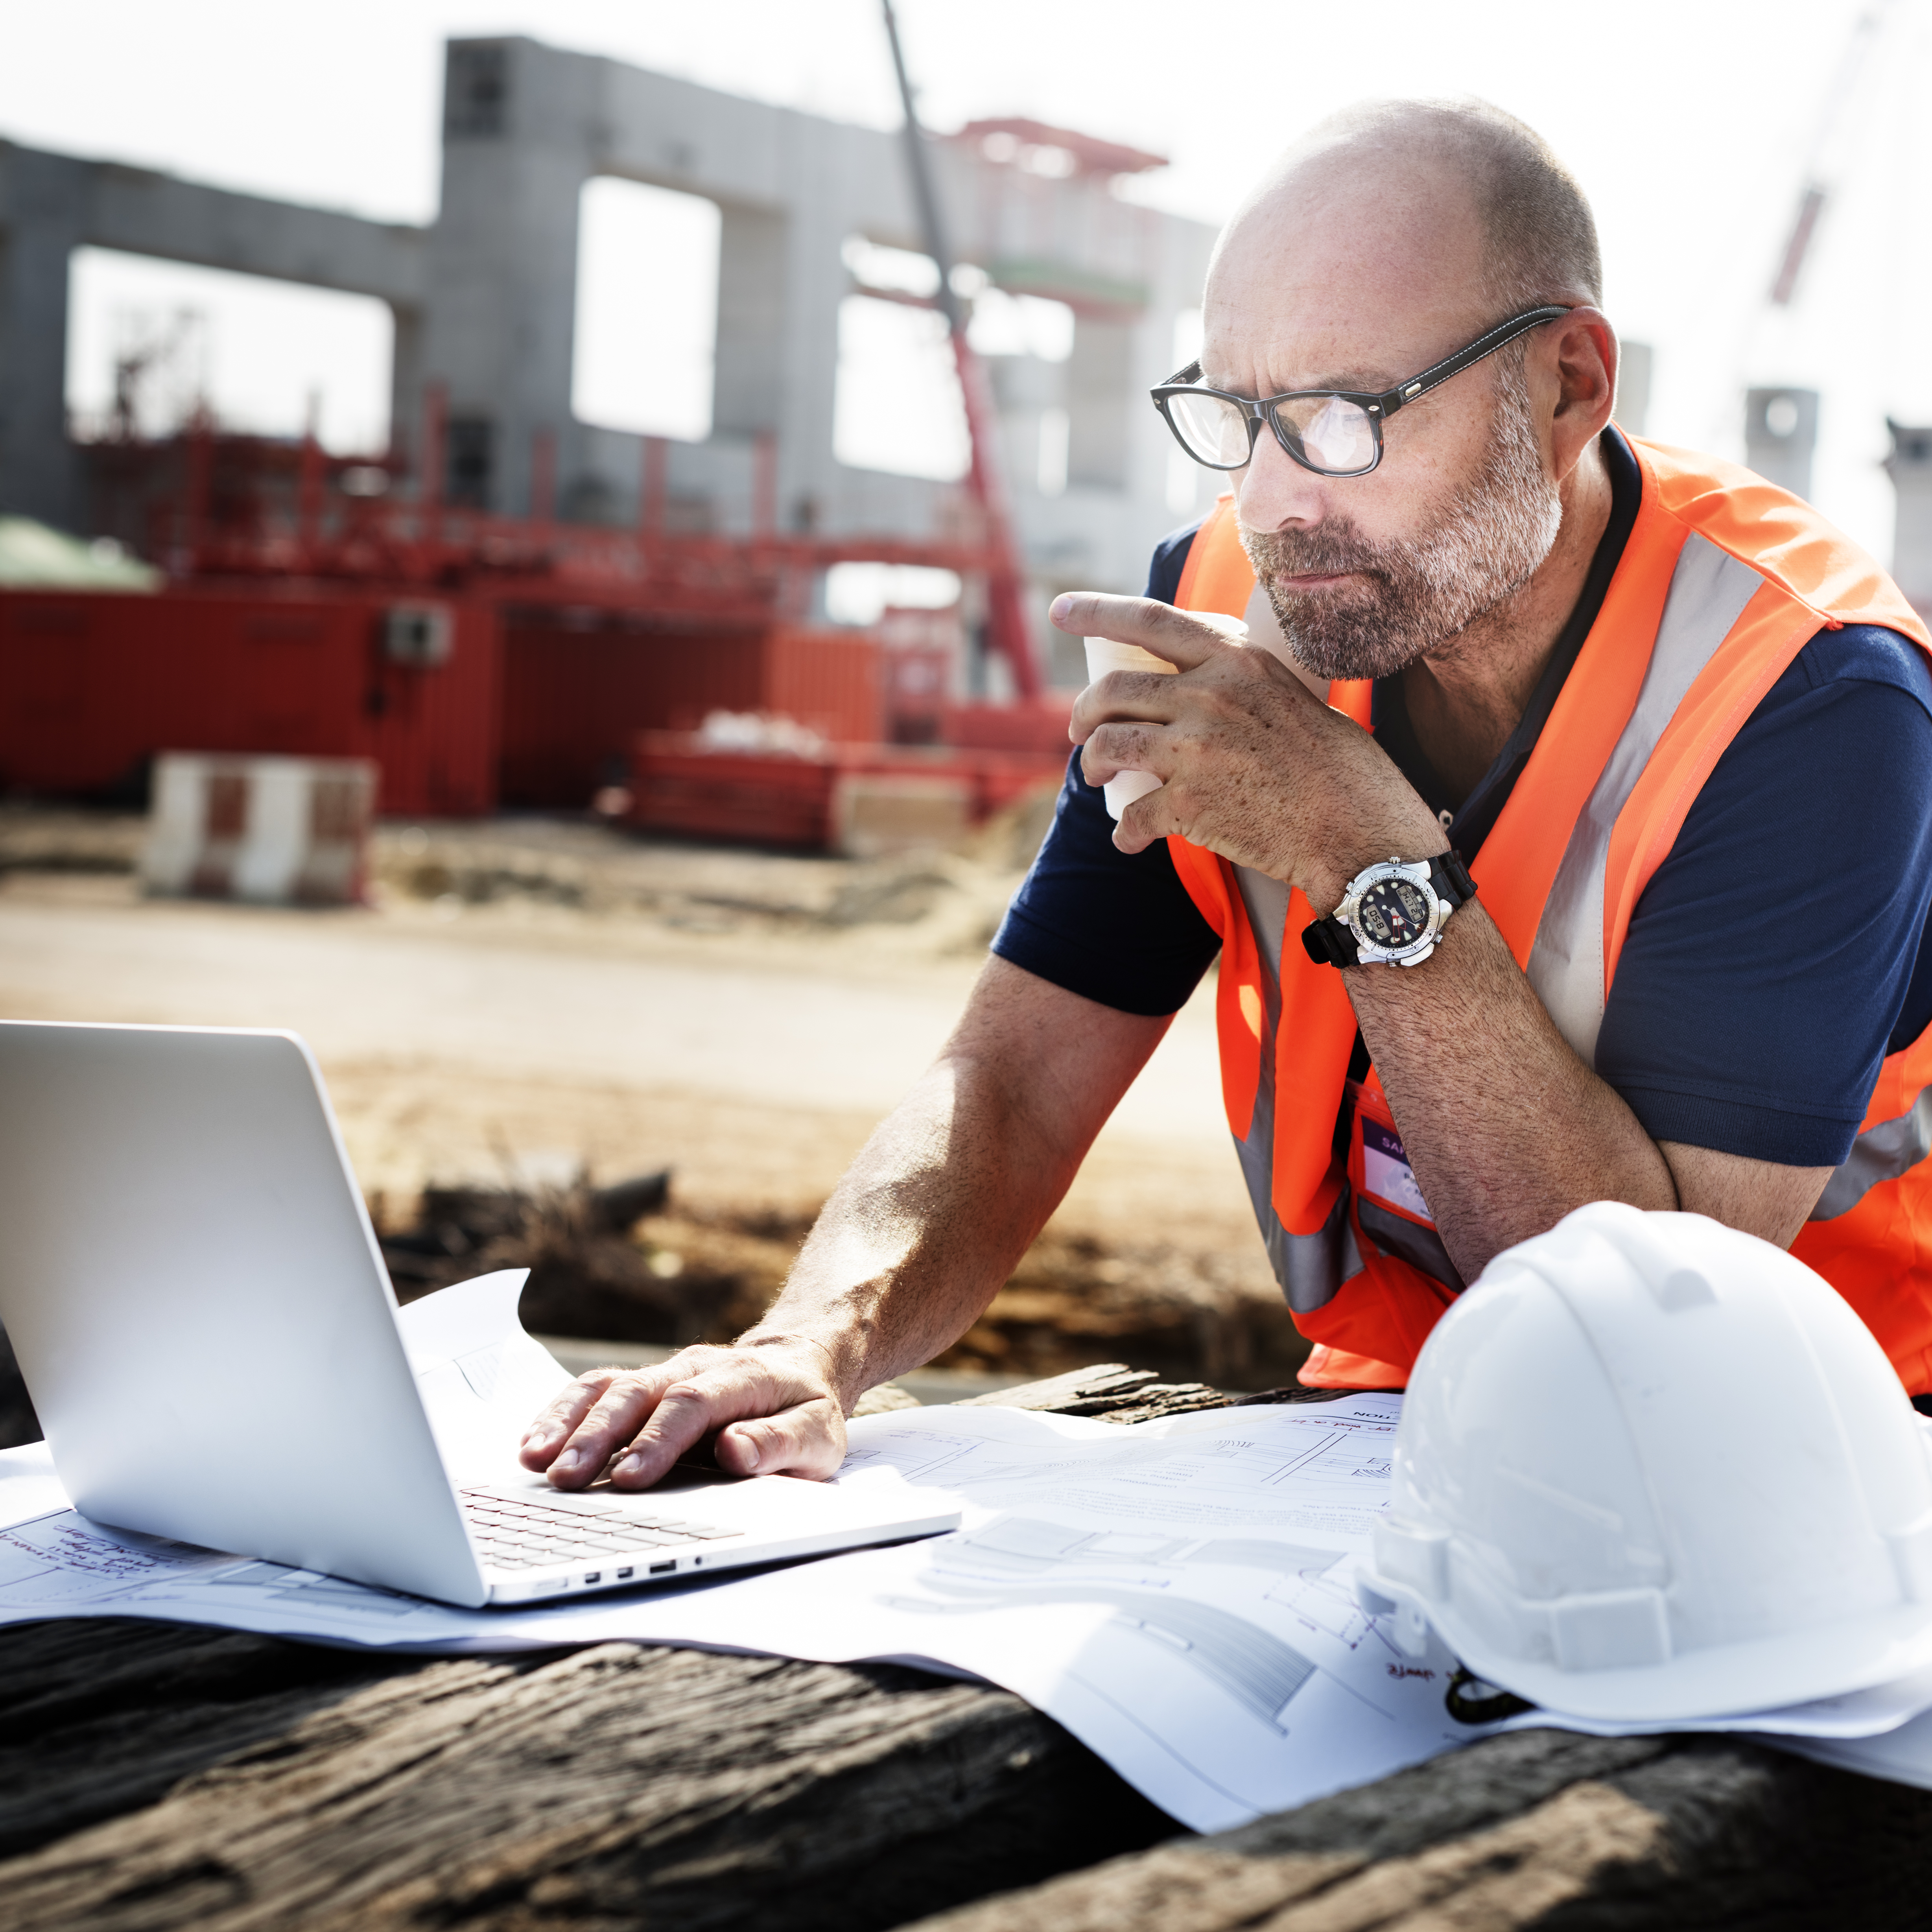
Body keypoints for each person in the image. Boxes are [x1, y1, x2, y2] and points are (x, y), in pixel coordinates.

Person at [521, 96, 1932, 1492]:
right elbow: (1014, 1078)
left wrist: (1360, 848)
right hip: (1393, 1424)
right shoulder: (1217, 608)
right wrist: (814, 1343)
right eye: (1238, 413)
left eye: (1342, 416)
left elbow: (1648, 1357)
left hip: (1819, 1468)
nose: (1270, 500)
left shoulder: (1808, 702)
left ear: (1567, 384)